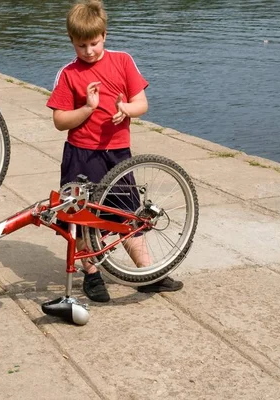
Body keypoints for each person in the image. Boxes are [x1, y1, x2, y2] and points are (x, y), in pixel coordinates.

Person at [46, 0, 183, 303]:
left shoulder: (123, 61)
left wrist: (126, 108)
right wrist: (87, 108)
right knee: (81, 217)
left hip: (118, 155)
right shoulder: (68, 74)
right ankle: (91, 273)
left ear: (104, 35)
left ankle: (147, 273)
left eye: (93, 43)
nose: (89, 51)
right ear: (71, 41)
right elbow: (59, 121)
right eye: (81, 45)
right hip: (81, 154)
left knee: (128, 214)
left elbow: (142, 103)